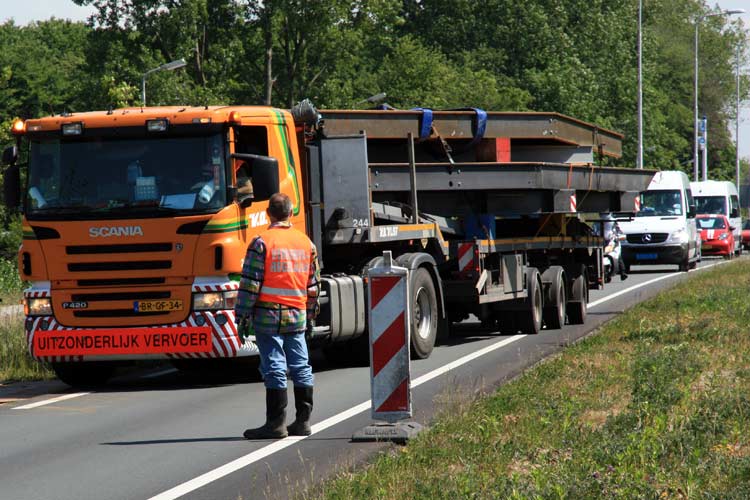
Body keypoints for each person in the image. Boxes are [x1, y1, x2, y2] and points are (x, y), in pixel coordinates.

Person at [235, 192, 320, 439]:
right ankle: (302, 422)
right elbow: (313, 285)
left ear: (269, 214)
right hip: (296, 312)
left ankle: (275, 424)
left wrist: (242, 314)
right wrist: (311, 311)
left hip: (267, 314)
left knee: (274, 365)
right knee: (301, 364)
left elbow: (251, 283)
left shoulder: (261, 242)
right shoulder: (306, 243)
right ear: (291, 213)